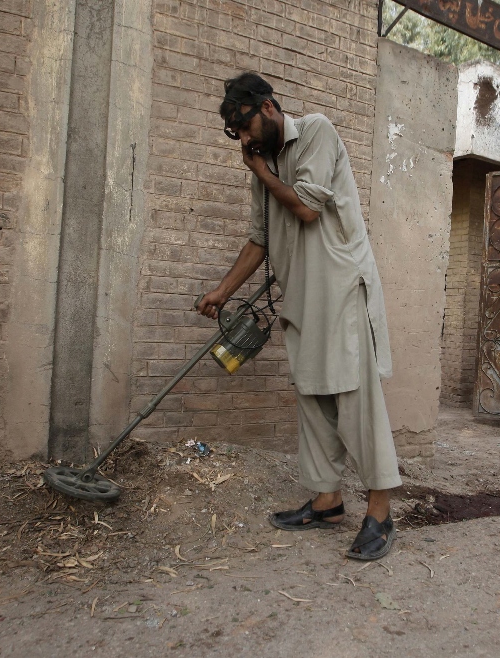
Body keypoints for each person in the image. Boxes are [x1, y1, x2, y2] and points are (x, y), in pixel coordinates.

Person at [196, 73, 401, 560]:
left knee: (354, 398)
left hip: (341, 289)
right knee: (312, 397)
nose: (243, 141)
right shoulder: (264, 165)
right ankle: (328, 501)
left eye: (243, 128)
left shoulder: (316, 132)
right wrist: (222, 291)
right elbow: (259, 239)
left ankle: (380, 511)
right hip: (302, 297)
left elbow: (308, 207)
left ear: (266, 107)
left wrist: (263, 173)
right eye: (236, 135)